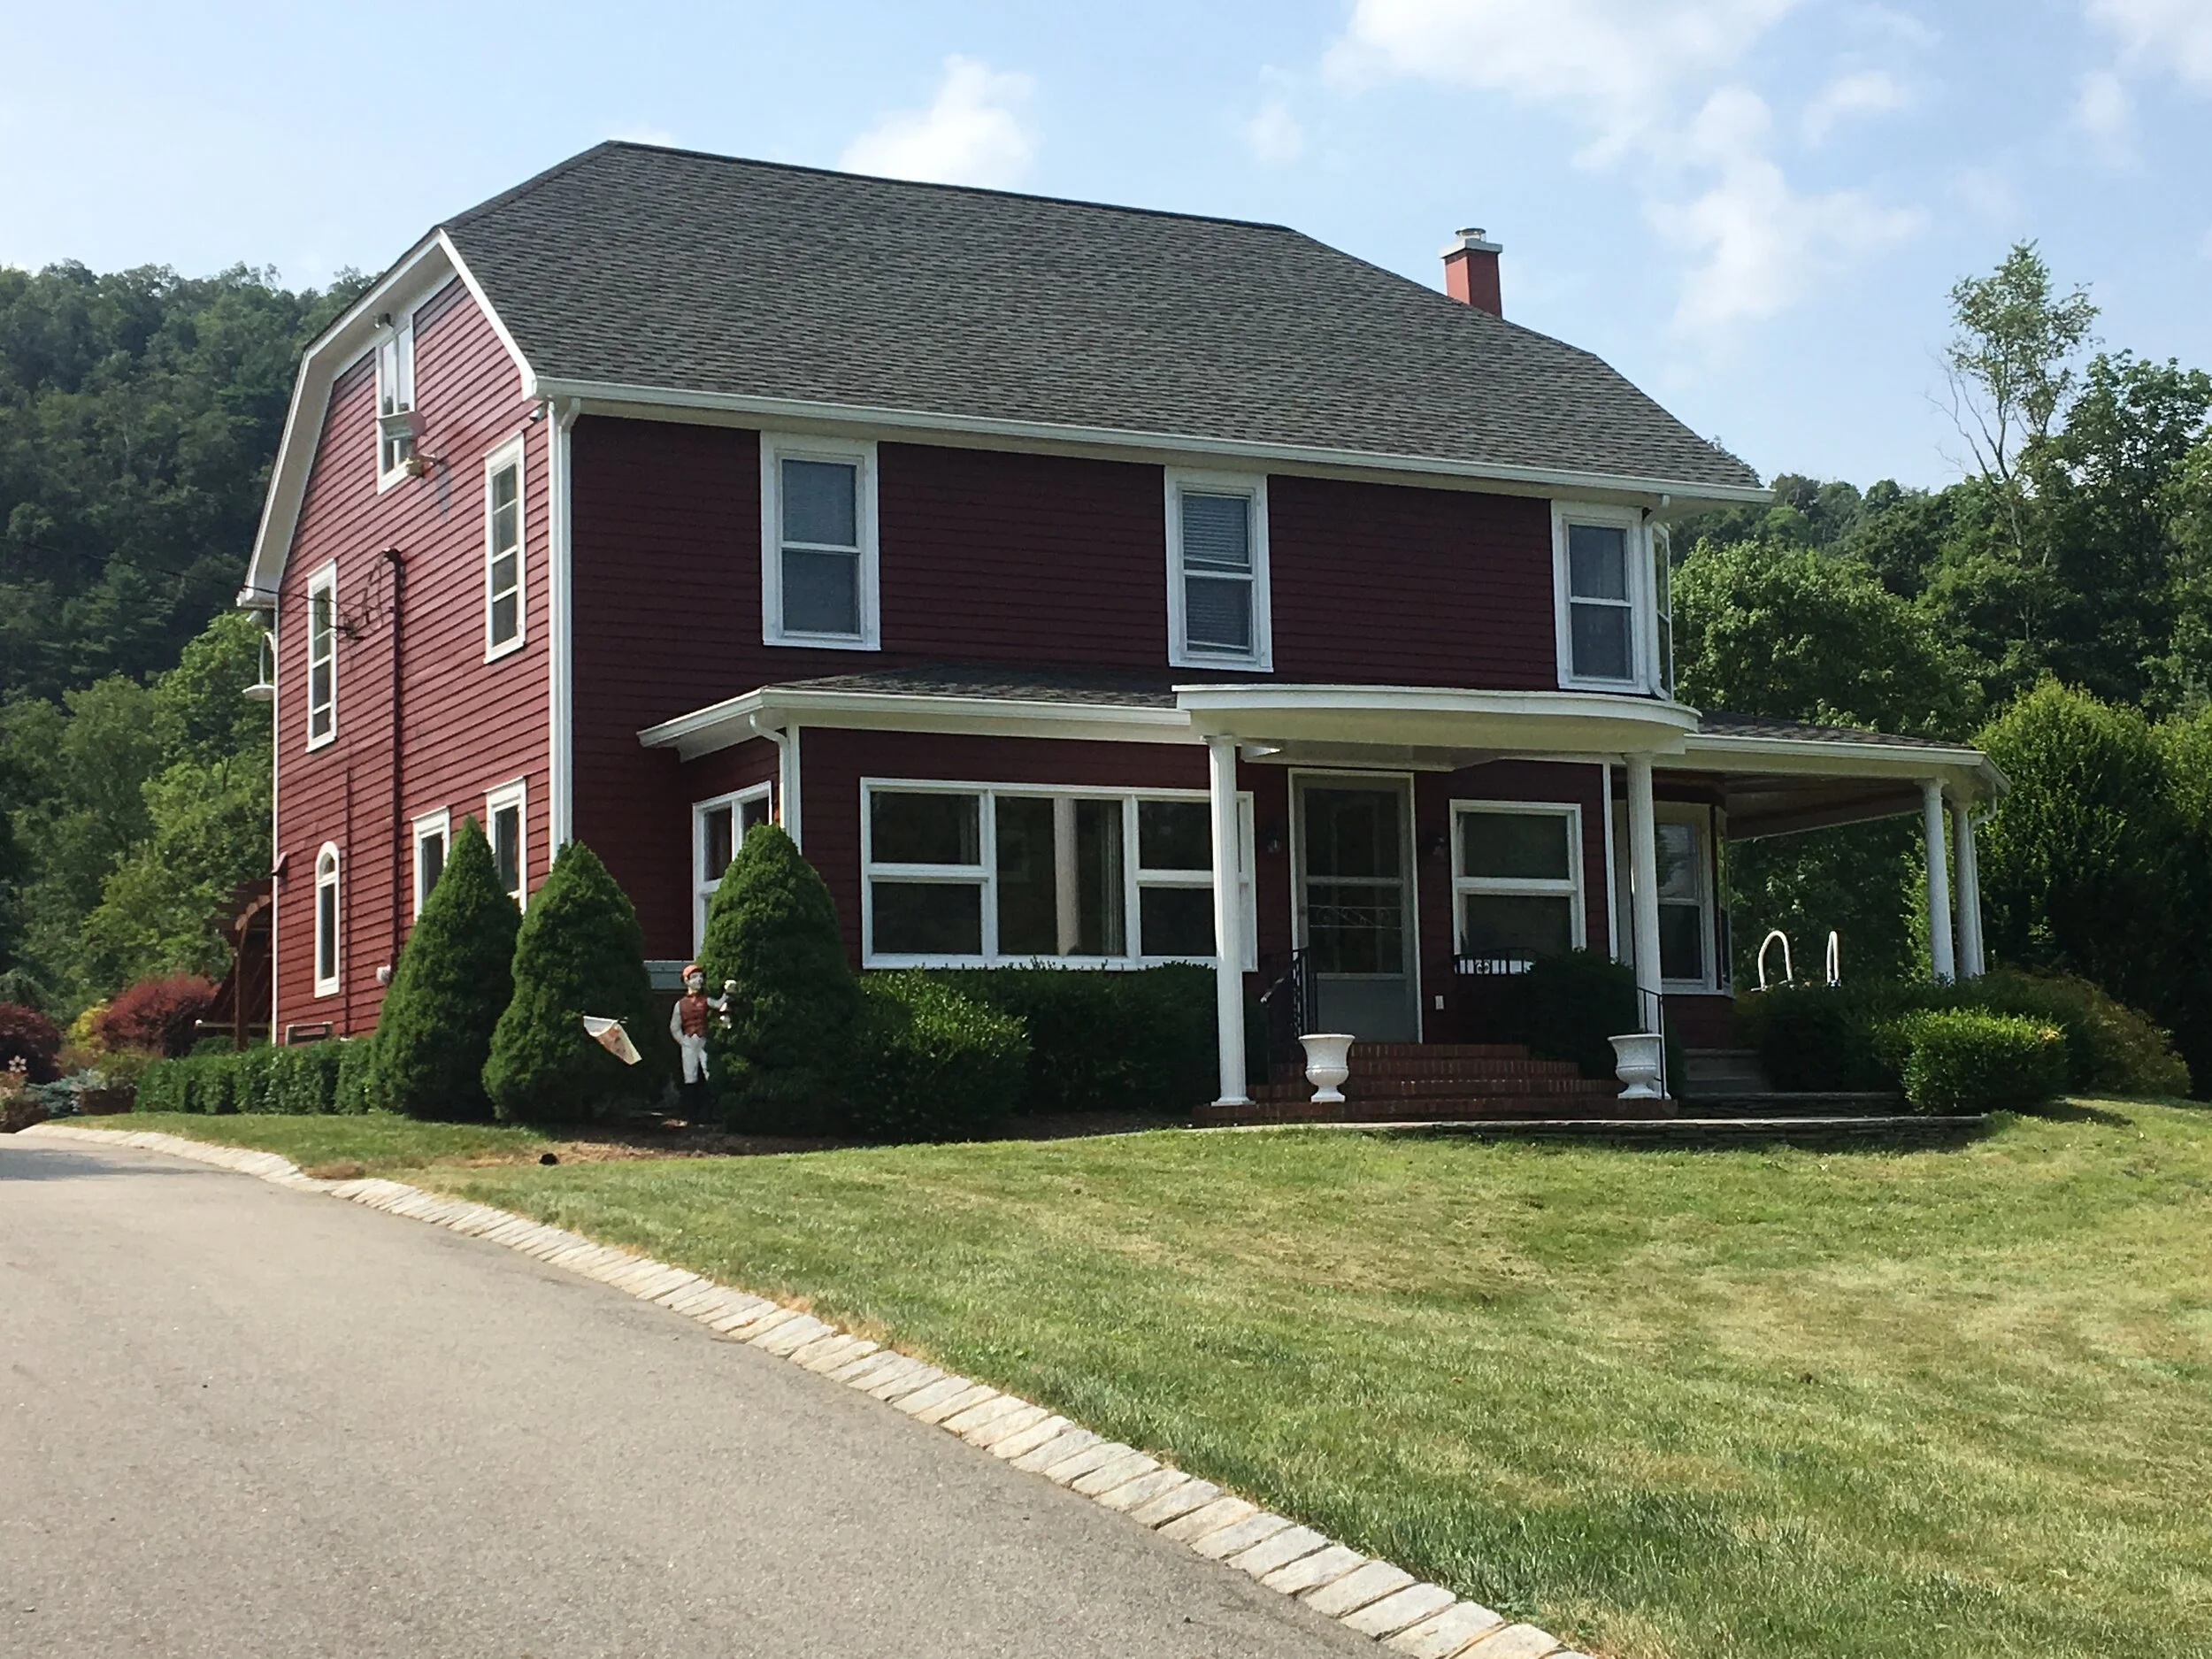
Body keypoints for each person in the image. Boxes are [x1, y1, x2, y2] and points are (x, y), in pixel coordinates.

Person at [669, 964, 730, 1088]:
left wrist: (726, 994)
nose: (699, 980)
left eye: (701, 977)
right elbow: (674, 1026)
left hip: (703, 1039)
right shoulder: (680, 1004)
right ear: (686, 980)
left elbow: (718, 1004)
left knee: (709, 1069)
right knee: (689, 1073)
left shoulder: (705, 1000)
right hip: (689, 1040)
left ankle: (710, 1095)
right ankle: (691, 1099)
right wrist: (683, 1041)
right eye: (695, 977)